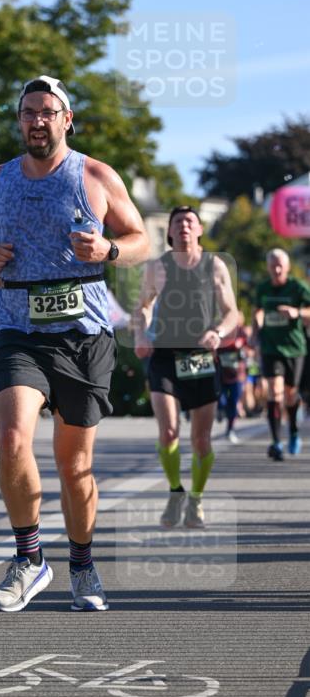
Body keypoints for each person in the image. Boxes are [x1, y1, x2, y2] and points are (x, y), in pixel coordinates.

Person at [0, 75, 149, 612]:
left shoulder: (95, 175)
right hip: (18, 329)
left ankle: (83, 565)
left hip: (82, 336)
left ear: (67, 119)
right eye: (28, 112)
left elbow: (140, 240)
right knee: (12, 438)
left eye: (47, 112)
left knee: (74, 466)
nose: (37, 121)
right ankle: (28, 558)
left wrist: (109, 250)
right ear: (19, 120)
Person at [134, 205, 239, 529]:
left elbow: (232, 312)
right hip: (165, 356)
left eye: (190, 221)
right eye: (177, 221)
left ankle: (196, 498)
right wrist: (141, 333)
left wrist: (218, 332)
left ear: (200, 229)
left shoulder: (215, 265)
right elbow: (142, 307)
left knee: (201, 440)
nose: (184, 226)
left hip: (201, 356)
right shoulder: (157, 267)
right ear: (169, 231)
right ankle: (175, 491)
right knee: (168, 432)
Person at [253, 248, 310, 460]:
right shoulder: (263, 288)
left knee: (290, 395)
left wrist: (298, 312)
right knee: (274, 392)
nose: (276, 270)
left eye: (280, 266)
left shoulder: (298, 287)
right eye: (272, 266)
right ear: (268, 267)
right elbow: (257, 310)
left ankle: (293, 431)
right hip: (271, 348)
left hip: (294, 348)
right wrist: (255, 330)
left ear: (287, 267)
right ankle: (276, 441)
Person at [217, 311, 248, 443]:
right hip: (221, 372)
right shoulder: (220, 330)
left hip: (237, 374)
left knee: (233, 402)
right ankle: (220, 409)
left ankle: (230, 430)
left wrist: (244, 351)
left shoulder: (241, 332)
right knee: (221, 398)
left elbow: (249, 347)